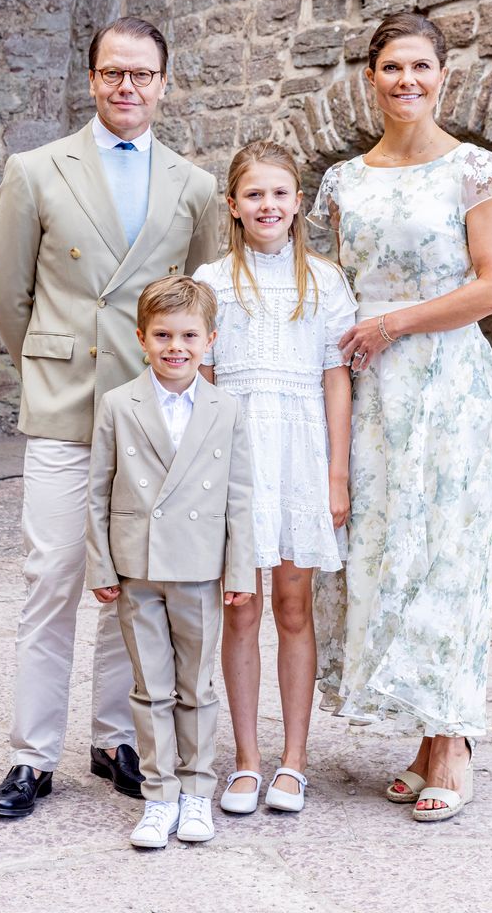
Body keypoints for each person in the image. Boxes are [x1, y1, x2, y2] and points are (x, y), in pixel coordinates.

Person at [0, 17, 219, 818]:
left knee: (135, 586)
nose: (128, 87)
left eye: (143, 75)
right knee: (51, 579)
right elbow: (8, 295)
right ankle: (32, 755)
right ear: (92, 79)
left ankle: (115, 737)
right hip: (63, 406)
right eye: (114, 73)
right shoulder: (37, 169)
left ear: (164, 83)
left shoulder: (193, 185)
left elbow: (196, 298)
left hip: (149, 416)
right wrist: (52, 363)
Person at [310, 12, 492, 822]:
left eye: (421, 67)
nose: (407, 81)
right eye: (392, 67)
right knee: (383, 551)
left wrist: (392, 323)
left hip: (448, 384)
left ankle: (452, 740)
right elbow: (330, 289)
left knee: (448, 554)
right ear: (371, 78)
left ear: (444, 76)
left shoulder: (473, 171)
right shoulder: (344, 181)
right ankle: (422, 737)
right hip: (369, 393)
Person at [193, 141, 356, 815]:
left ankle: (293, 761)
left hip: (300, 457)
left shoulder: (325, 281)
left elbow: (335, 378)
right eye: (254, 195)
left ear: (299, 204)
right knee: (241, 609)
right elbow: (199, 379)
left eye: (279, 194)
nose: (268, 205)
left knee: (293, 606)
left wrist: (337, 475)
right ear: (232, 205)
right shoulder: (210, 280)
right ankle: (246, 761)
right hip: (236, 463)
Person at [85, 276, 256, 848]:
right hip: (138, 567)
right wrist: (101, 566)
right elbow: (98, 491)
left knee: (197, 687)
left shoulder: (226, 408)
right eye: (162, 334)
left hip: (201, 567)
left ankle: (196, 792)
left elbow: (239, 494)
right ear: (141, 338)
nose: (174, 346)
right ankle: (158, 798)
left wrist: (239, 571)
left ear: (210, 339)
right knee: (149, 687)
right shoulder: (117, 404)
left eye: (188, 334)